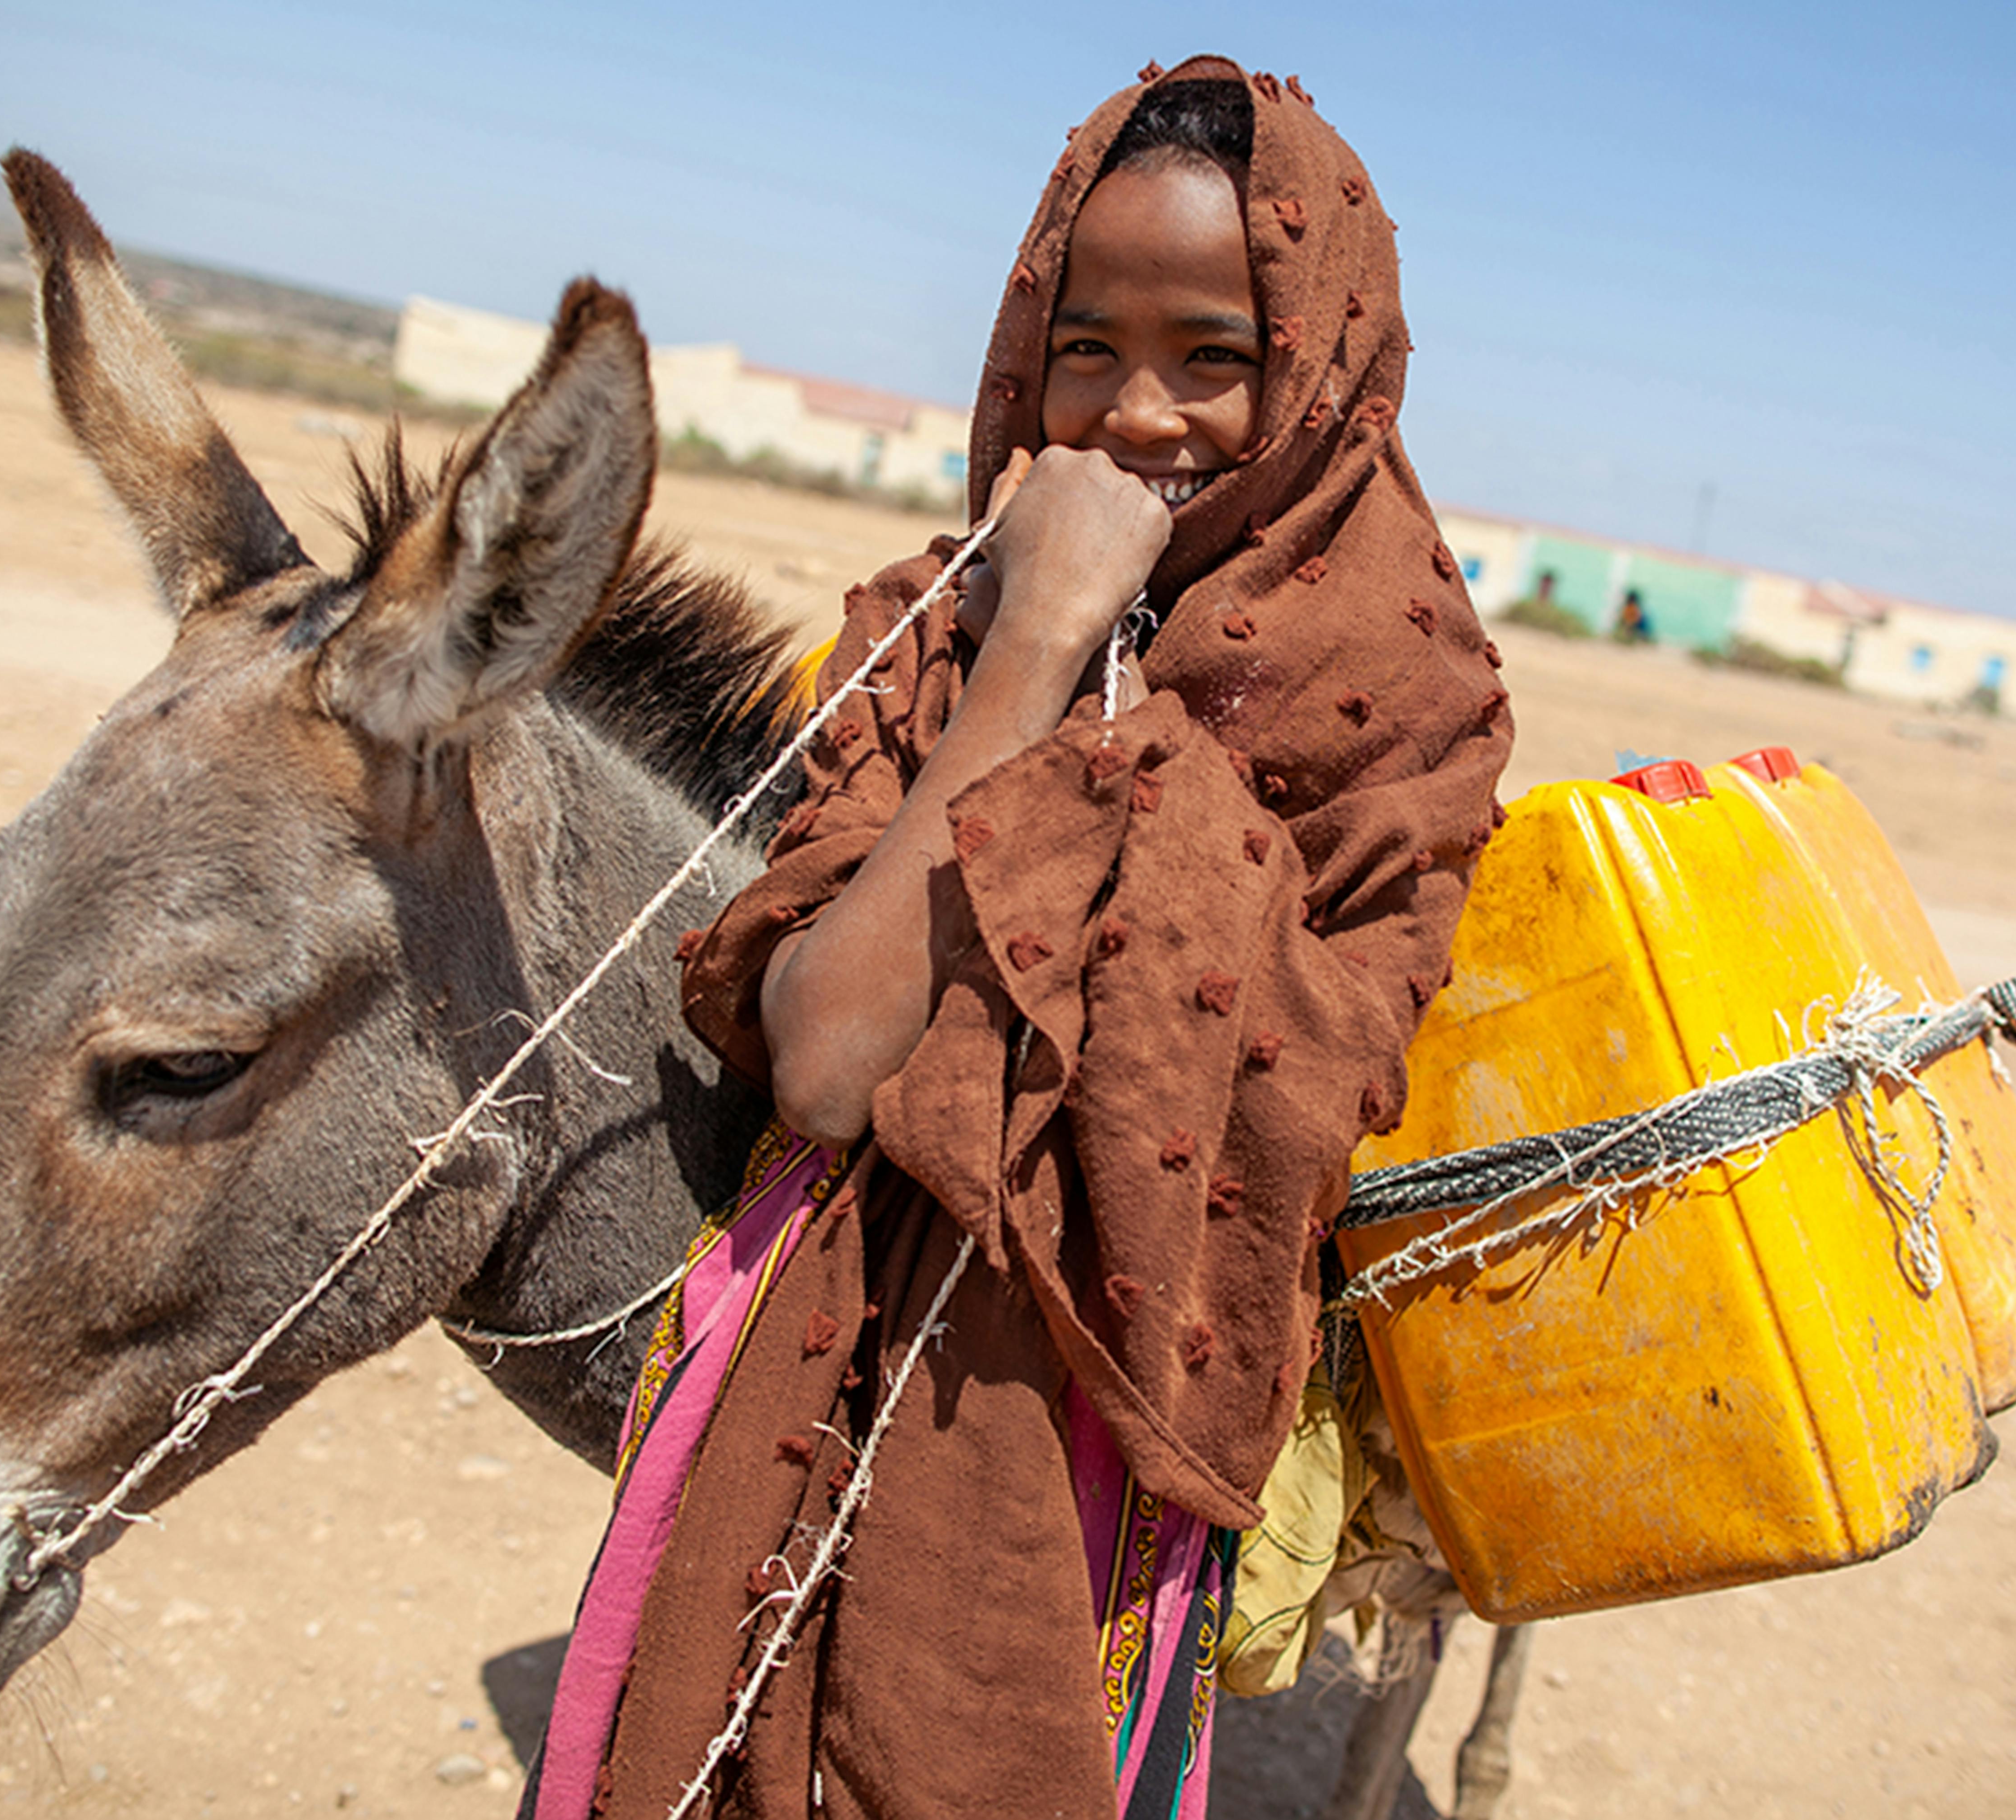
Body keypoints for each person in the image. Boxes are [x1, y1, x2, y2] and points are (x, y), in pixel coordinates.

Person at [532, 56, 1512, 1820]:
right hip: (792, 1361)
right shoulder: (951, 618)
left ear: (1325, 358)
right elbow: (828, 1058)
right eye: (1086, 347)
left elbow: (1293, 1099)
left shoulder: (1403, 702)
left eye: (1214, 355)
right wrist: (1034, 654)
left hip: (1084, 1435)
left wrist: (1118, 780)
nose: (1139, 413)